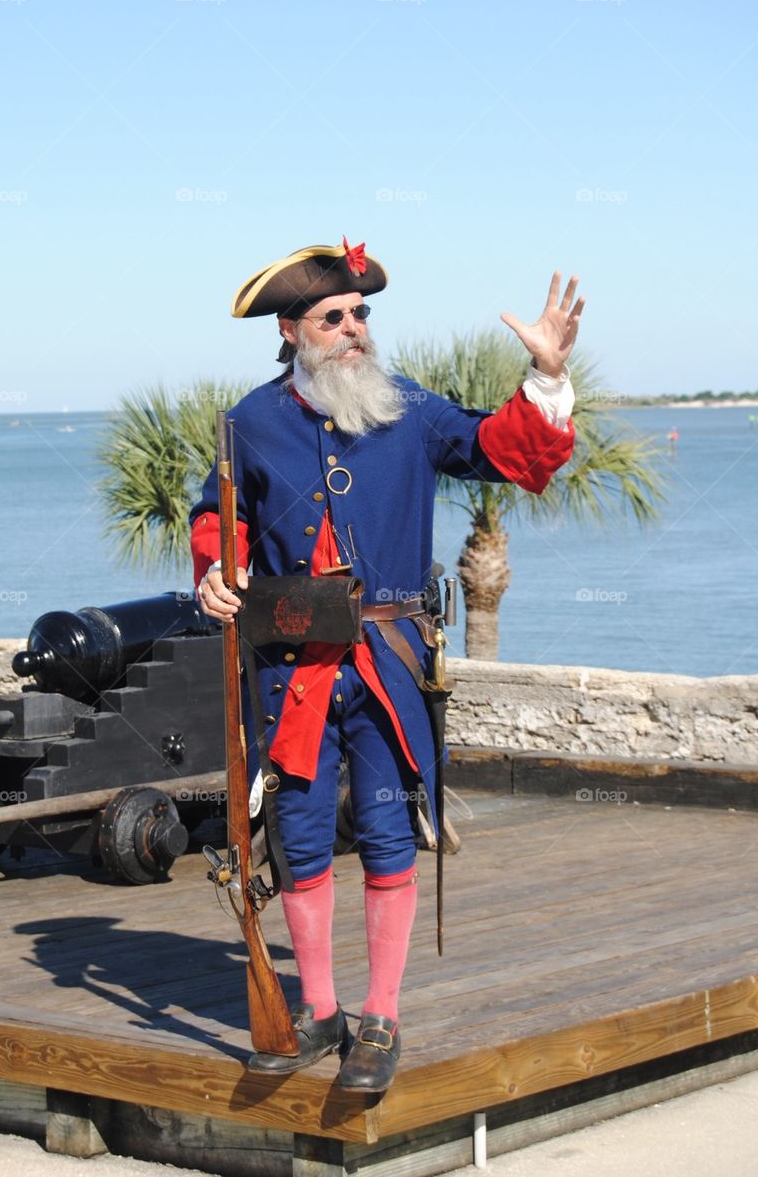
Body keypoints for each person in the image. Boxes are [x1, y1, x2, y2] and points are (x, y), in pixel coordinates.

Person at [190, 238, 583, 1092]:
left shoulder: (407, 407)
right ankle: (322, 1011)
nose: (354, 328)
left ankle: (382, 1018)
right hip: (291, 669)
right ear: (291, 330)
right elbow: (219, 516)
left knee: (385, 830)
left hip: (392, 664)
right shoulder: (249, 422)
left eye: (362, 313)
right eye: (334, 317)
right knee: (296, 838)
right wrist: (217, 572)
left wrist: (546, 379)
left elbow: (505, 451)